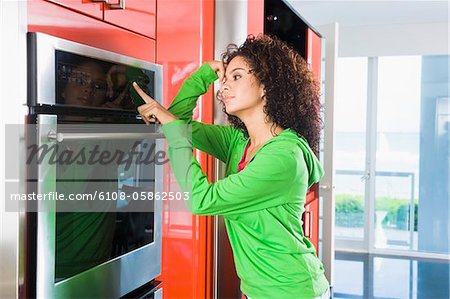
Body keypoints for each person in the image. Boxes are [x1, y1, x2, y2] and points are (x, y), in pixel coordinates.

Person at [133, 34, 330, 299]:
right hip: (259, 289)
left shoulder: (284, 157)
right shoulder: (240, 143)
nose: (223, 87)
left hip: (291, 290)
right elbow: (179, 124)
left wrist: (170, 125)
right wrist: (201, 77)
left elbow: (200, 200)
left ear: (266, 86)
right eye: (224, 79)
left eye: (236, 77)